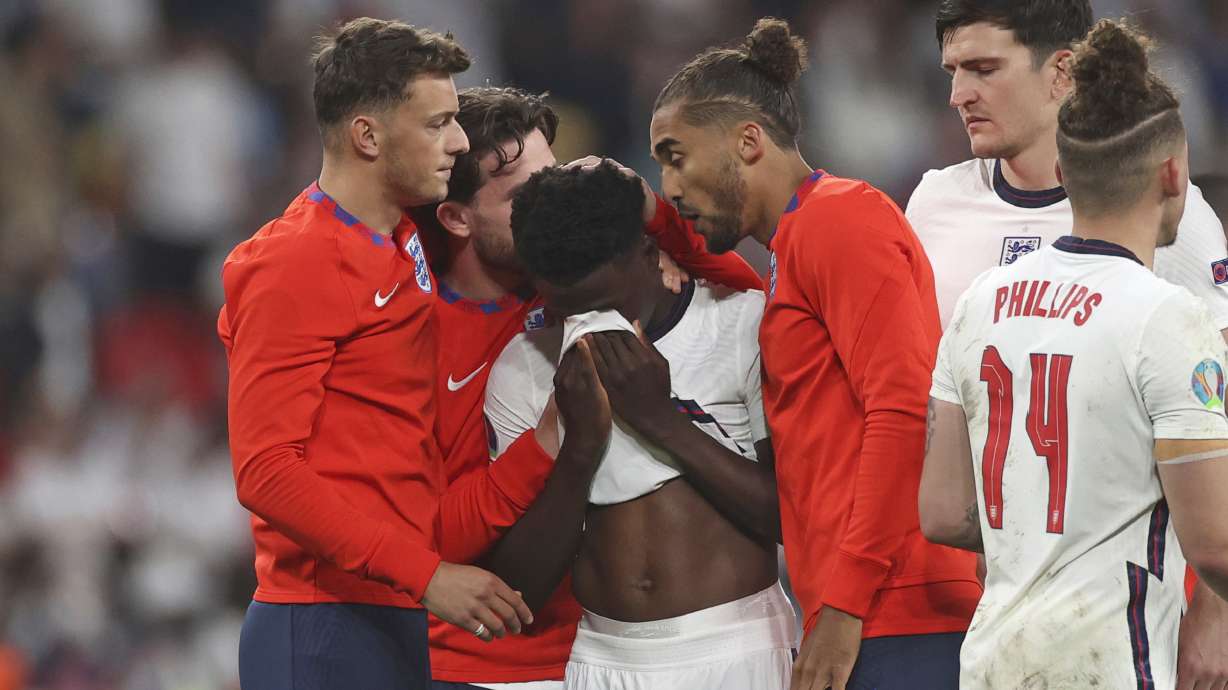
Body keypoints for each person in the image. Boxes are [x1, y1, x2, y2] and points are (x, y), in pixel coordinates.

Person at [647, 17, 982, 690]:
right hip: (868, 611)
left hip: (900, 612)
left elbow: (902, 413)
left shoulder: (840, 219)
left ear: (747, 142)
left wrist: (845, 603)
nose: (670, 186)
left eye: (675, 156)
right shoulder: (794, 247)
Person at [906, 3, 1228, 685]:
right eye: (953, 71)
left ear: (1061, 72)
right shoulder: (932, 204)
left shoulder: (1179, 224)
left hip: (1097, 617)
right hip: (974, 606)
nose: (959, 93)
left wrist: (1217, 616)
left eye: (983, 68)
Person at [411, 88, 763, 690]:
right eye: (525, 195)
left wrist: (656, 218)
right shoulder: (446, 342)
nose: (552, 201)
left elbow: (739, 293)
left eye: (558, 175)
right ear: (457, 216)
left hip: (668, 645)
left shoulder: (615, 287)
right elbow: (430, 537)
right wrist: (559, 441)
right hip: (487, 662)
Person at [218, 19, 532, 690]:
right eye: (437, 123)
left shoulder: (400, 235)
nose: (459, 140)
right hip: (319, 624)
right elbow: (266, 472)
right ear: (367, 136)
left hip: (388, 610)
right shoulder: (295, 260)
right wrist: (429, 574)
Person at [480, 160, 792, 690]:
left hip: (740, 645)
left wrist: (661, 420)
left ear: (650, 255)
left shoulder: (742, 324)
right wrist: (578, 447)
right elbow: (520, 589)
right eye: (566, 309)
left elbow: (789, 520)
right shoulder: (523, 367)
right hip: (603, 659)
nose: (589, 327)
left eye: (604, 305)